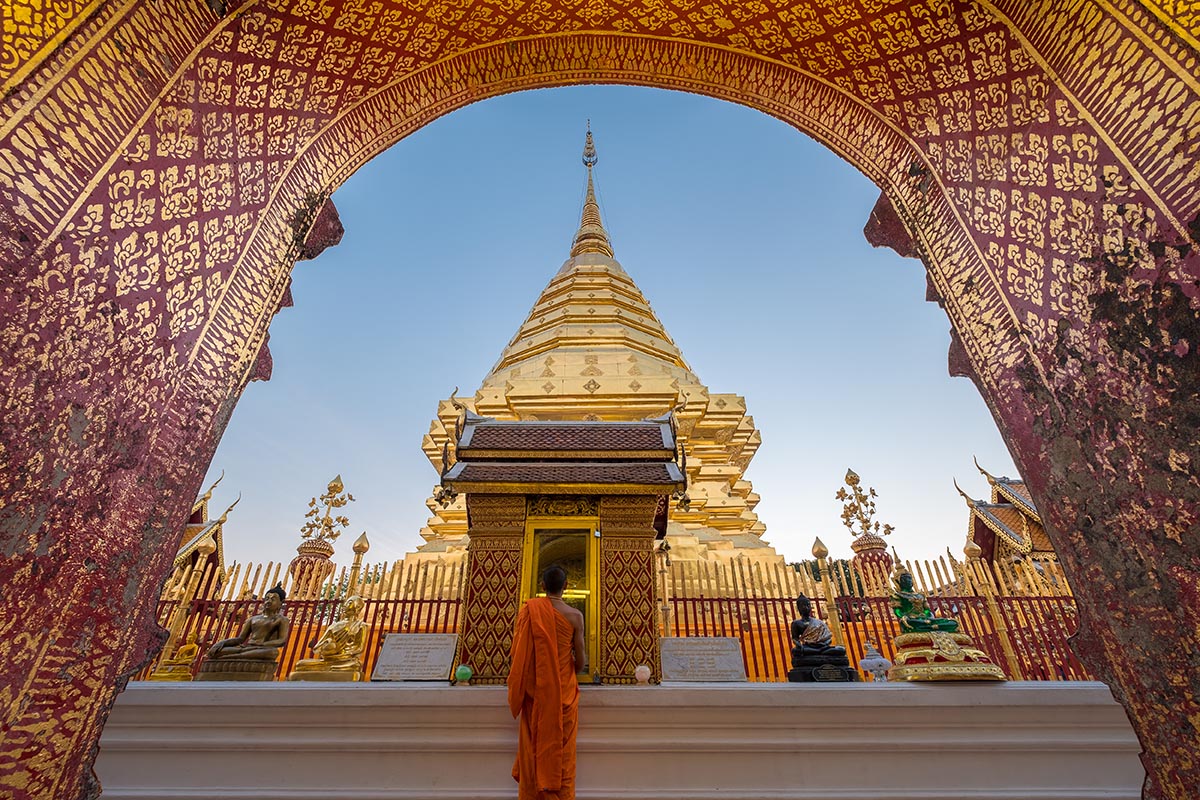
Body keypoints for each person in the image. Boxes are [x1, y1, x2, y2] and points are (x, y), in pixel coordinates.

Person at [507, 565, 586, 800]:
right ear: (567, 586)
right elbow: (581, 664)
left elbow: (518, 656)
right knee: (562, 754)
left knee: (535, 750)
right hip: (564, 694)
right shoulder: (575, 616)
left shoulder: (528, 611)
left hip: (537, 695)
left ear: (542, 587)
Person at [207, 583, 291, 661]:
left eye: (273, 599)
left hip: (263, 649)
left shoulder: (282, 620)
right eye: (267, 598)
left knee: (272, 653)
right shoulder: (253, 619)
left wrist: (260, 645)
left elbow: (282, 640)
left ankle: (233, 657)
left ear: (281, 603)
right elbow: (240, 639)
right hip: (247, 647)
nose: (268, 601)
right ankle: (236, 656)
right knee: (217, 651)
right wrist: (222, 642)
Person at [289, 595, 367, 678]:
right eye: (346, 602)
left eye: (349, 603)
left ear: (357, 607)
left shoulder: (361, 625)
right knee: (300, 664)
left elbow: (359, 648)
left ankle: (335, 667)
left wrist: (342, 655)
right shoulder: (334, 626)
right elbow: (316, 648)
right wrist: (327, 646)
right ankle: (333, 667)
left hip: (346, 659)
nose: (345, 605)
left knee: (355, 665)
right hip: (329, 658)